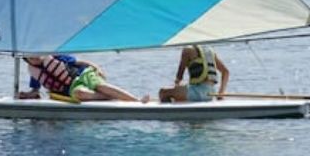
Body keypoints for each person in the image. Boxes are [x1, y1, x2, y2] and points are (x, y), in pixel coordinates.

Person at [16, 54, 147, 103]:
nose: (36, 58)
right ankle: (110, 97)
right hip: (73, 87)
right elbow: (35, 92)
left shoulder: (55, 57)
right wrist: (26, 95)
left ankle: (137, 101)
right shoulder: (34, 72)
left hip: (83, 74)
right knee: (80, 94)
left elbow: (79, 62)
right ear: (27, 61)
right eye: (31, 58)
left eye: (36, 55)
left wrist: (96, 68)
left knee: (101, 86)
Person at [157, 44, 229, 103]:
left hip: (197, 93)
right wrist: (220, 93)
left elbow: (179, 76)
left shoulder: (187, 50)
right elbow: (226, 72)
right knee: (181, 88)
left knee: (163, 92)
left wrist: (176, 89)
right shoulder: (209, 50)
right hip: (211, 93)